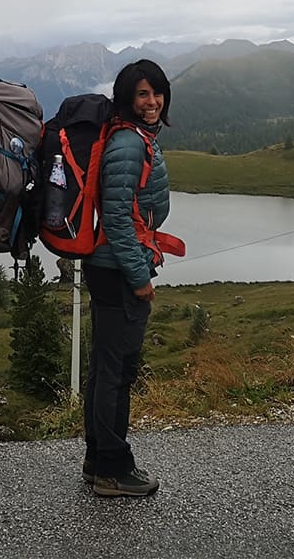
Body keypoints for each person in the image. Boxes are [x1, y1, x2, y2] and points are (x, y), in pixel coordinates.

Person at [82, 58, 174, 497]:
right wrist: (140, 277)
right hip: (118, 271)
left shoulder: (136, 138)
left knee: (105, 370)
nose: (152, 101)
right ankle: (113, 471)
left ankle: (98, 460)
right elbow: (117, 217)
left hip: (112, 268)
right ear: (126, 99)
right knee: (116, 373)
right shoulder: (129, 145)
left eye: (156, 92)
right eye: (142, 94)